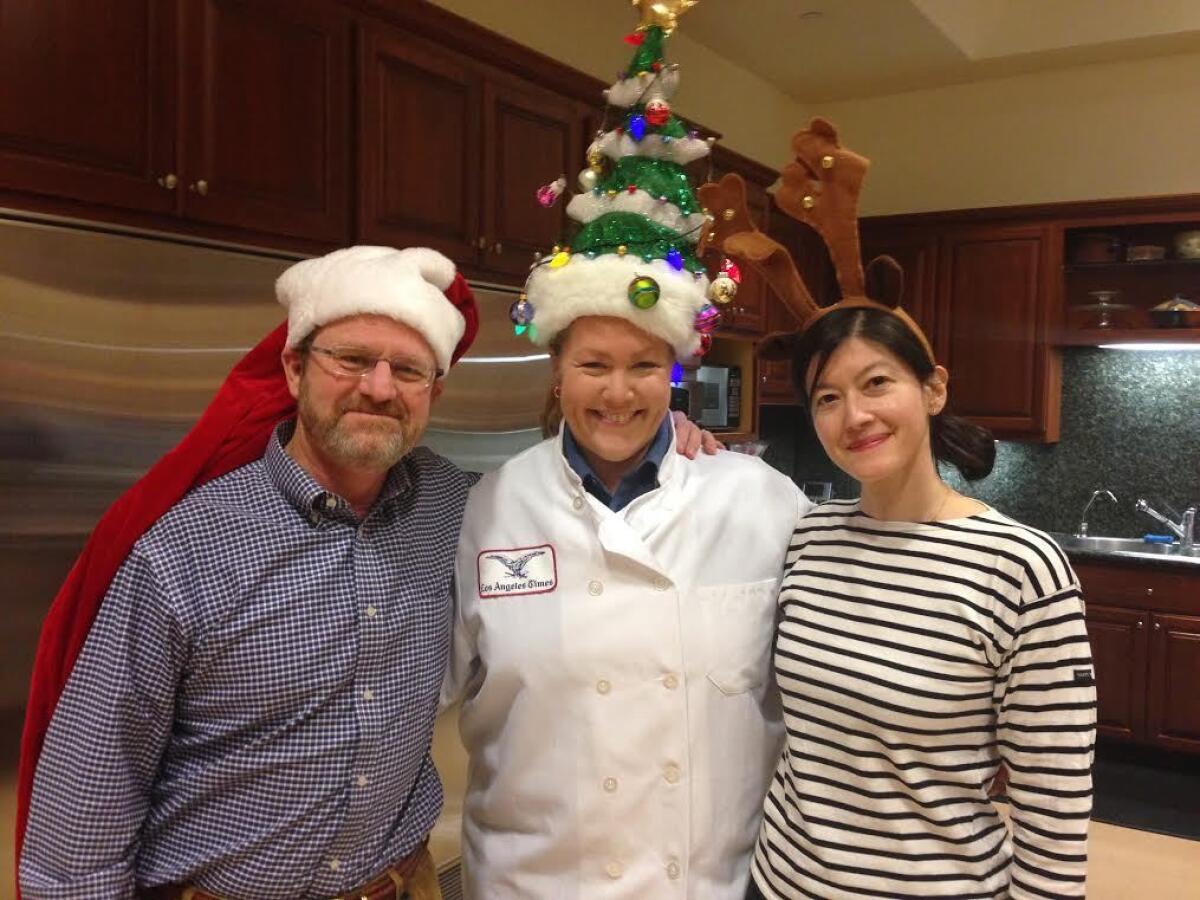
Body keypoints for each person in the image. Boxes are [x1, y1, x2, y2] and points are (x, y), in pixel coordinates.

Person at [16, 244, 714, 900]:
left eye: (407, 370)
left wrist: (665, 442)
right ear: (294, 368)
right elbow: (84, 806)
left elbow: (572, 504)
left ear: (433, 392)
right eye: (351, 359)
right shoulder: (183, 548)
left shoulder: (463, 508)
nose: (379, 389)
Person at [713, 120, 1096, 900]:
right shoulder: (808, 538)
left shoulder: (1020, 569)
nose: (853, 414)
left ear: (934, 388)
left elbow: (1054, 812)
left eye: (877, 382)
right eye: (827, 396)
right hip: (779, 885)